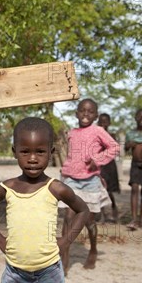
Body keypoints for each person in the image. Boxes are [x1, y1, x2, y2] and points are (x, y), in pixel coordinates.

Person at [0, 117, 89, 283]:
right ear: (14, 152)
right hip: (15, 273)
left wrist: (66, 242)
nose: (33, 159)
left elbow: (83, 210)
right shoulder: (8, 188)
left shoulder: (56, 188)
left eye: (40, 152)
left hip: (49, 271)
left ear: (51, 152)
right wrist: (0, 241)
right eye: (25, 152)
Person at [59, 99, 119, 273]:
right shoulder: (71, 133)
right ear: (76, 113)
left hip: (90, 180)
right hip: (71, 179)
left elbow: (114, 147)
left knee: (89, 220)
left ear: (96, 115)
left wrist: (97, 160)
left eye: (90, 111)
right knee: (68, 216)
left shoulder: (98, 131)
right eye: (82, 111)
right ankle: (64, 257)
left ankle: (93, 249)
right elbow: (71, 156)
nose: (86, 114)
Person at [97, 113, 121, 222]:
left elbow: (113, 149)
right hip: (99, 165)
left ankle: (114, 207)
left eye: (105, 121)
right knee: (100, 189)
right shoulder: (96, 135)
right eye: (101, 121)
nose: (103, 123)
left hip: (109, 165)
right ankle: (103, 214)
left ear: (109, 123)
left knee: (109, 190)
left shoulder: (112, 135)